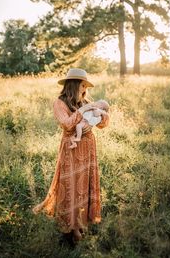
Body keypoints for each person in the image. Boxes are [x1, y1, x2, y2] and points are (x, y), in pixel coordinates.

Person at [32, 68, 109, 244]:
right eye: (82, 86)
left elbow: (104, 123)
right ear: (73, 85)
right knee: (72, 186)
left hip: (88, 149)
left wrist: (100, 115)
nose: (84, 90)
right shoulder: (60, 103)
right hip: (72, 149)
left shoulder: (85, 101)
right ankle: (71, 228)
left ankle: (80, 223)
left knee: (84, 186)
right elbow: (67, 124)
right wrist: (85, 111)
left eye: (86, 87)